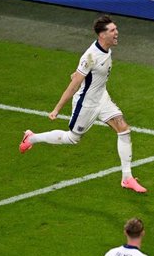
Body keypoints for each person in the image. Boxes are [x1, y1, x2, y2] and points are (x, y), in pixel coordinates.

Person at [19, 15, 147, 193]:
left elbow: (86, 74)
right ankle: (31, 138)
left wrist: (78, 73)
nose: (117, 33)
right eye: (112, 30)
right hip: (86, 104)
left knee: (124, 129)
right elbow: (73, 87)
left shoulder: (106, 49)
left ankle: (127, 178)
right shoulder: (90, 56)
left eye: (116, 29)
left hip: (102, 97)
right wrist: (57, 109)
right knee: (72, 138)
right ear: (102, 35)